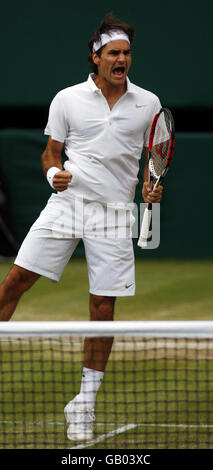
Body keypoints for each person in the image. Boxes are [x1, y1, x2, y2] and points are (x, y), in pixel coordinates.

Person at [0, 13, 163, 441]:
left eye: (127, 52)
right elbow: (51, 153)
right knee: (15, 281)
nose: (122, 59)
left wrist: (150, 186)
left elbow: (152, 161)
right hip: (67, 204)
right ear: (96, 57)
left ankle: (84, 404)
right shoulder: (67, 99)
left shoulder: (149, 103)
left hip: (113, 214)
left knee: (102, 311)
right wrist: (53, 175)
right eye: (114, 53)